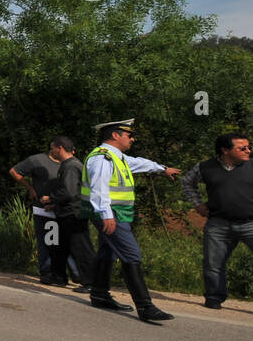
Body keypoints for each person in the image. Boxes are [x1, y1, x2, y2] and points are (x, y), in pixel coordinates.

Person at [80, 118, 181, 324]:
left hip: (115, 212)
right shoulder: (102, 158)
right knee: (131, 254)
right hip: (110, 213)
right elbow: (99, 190)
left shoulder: (118, 158)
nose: (132, 139)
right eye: (129, 135)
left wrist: (162, 168)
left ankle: (99, 294)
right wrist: (106, 215)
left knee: (108, 251)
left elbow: (140, 163)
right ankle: (145, 306)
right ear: (115, 135)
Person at [180, 132, 253, 309]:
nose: (248, 151)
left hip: (250, 223)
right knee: (213, 263)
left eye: (249, 147)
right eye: (242, 148)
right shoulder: (205, 167)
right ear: (225, 150)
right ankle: (214, 297)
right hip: (218, 224)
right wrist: (198, 205)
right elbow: (187, 182)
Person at [9, 138, 73, 284]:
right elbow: (14, 171)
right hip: (43, 209)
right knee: (48, 242)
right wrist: (30, 188)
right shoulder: (37, 160)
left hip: (62, 209)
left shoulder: (68, 163)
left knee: (63, 242)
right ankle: (46, 272)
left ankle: (68, 274)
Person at [41, 139, 94, 289]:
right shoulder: (70, 165)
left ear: (60, 148)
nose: (51, 152)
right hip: (66, 212)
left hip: (74, 214)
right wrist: (55, 205)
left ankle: (91, 282)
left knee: (81, 248)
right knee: (60, 247)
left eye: (52, 148)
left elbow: (69, 192)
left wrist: (50, 198)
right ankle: (58, 277)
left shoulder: (71, 166)